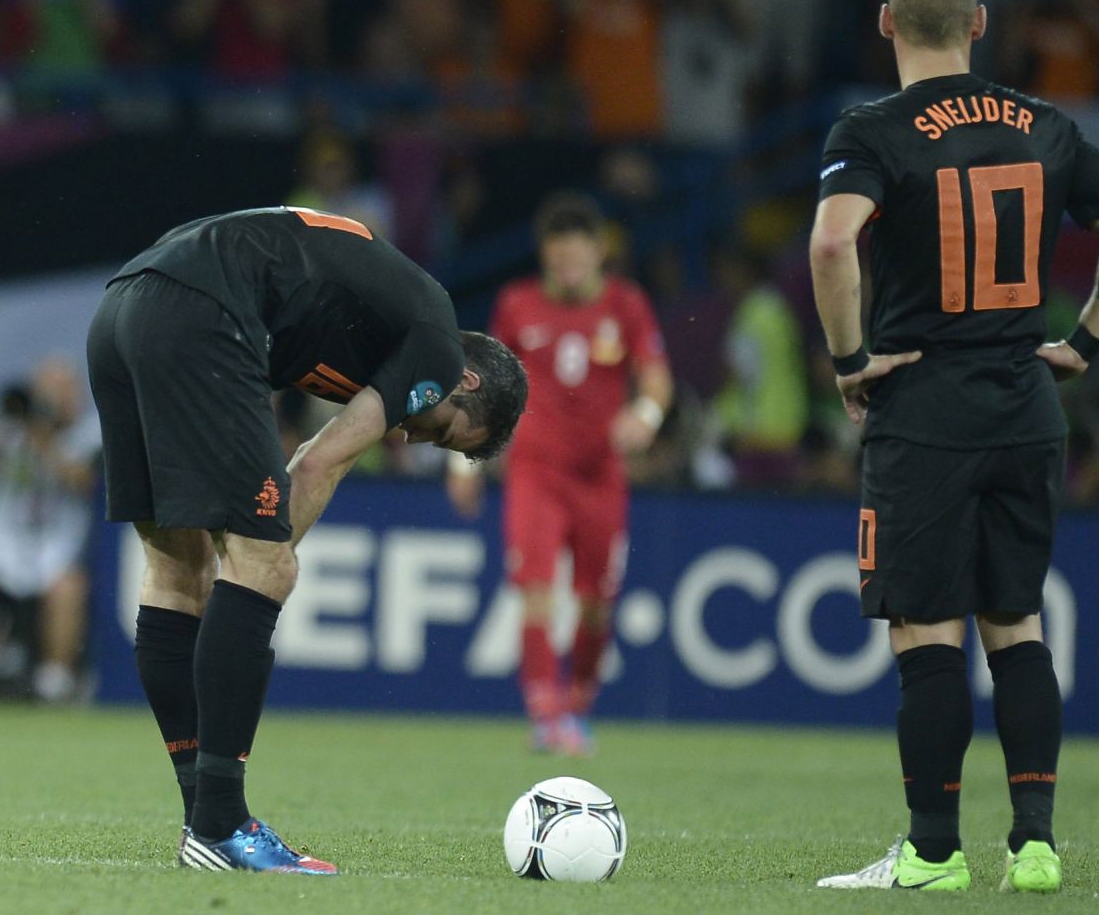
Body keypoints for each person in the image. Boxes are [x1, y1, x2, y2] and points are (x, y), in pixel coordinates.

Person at [808, 0, 1099, 893]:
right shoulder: (1045, 124)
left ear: (887, 23)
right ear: (980, 22)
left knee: (928, 632)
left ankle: (932, 854)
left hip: (924, 409)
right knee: (1016, 623)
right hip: (1026, 406)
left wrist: (848, 361)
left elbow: (834, 242)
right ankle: (1035, 846)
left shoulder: (872, 129)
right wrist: (1083, 345)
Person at [86, 205, 527, 875]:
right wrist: (258, 565)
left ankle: (203, 821)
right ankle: (221, 825)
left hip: (123, 307)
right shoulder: (437, 348)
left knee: (177, 568)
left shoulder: (391, 319)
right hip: (203, 311)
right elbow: (320, 463)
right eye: (442, 428)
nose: (416, 437)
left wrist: (244, 566)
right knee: (264, 566)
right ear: (466, 380)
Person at [445, 192, 672, 756]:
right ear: (545, 255)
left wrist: (645, 415)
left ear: (599, 252)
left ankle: (578, 703)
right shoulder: (517, 304)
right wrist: (462, 459)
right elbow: (480, 385)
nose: (568, 265)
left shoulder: (626, 304)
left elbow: (656, 376)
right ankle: (545, 714)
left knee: (596, 602)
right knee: (537, 590)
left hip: (600, 475)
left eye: (578, 253)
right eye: (558, 254)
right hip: (535, 472)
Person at [0, 358, 99, 705]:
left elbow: (81, 481)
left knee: (70, 588)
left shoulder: (86, 436)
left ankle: (55, 685)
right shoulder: (8, 432)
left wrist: (43, 436)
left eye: (63, 390)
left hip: (52, 562)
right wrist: (4, 422)